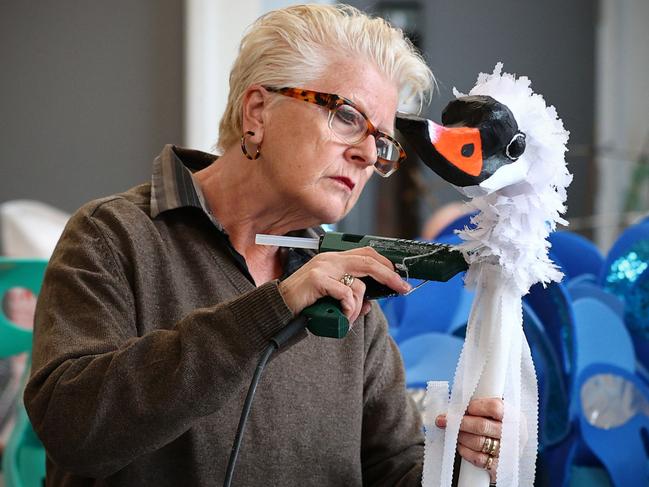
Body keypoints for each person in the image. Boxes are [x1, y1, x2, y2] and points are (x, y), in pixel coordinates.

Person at [24, 5, 503, 486]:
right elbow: (73, 430)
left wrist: (454, 463)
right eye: (347, 117)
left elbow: (391, 469)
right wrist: (275, 306)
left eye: (380, 141)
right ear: (257, 111)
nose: (364, 154)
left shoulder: (347, 278)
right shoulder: (113, 235)